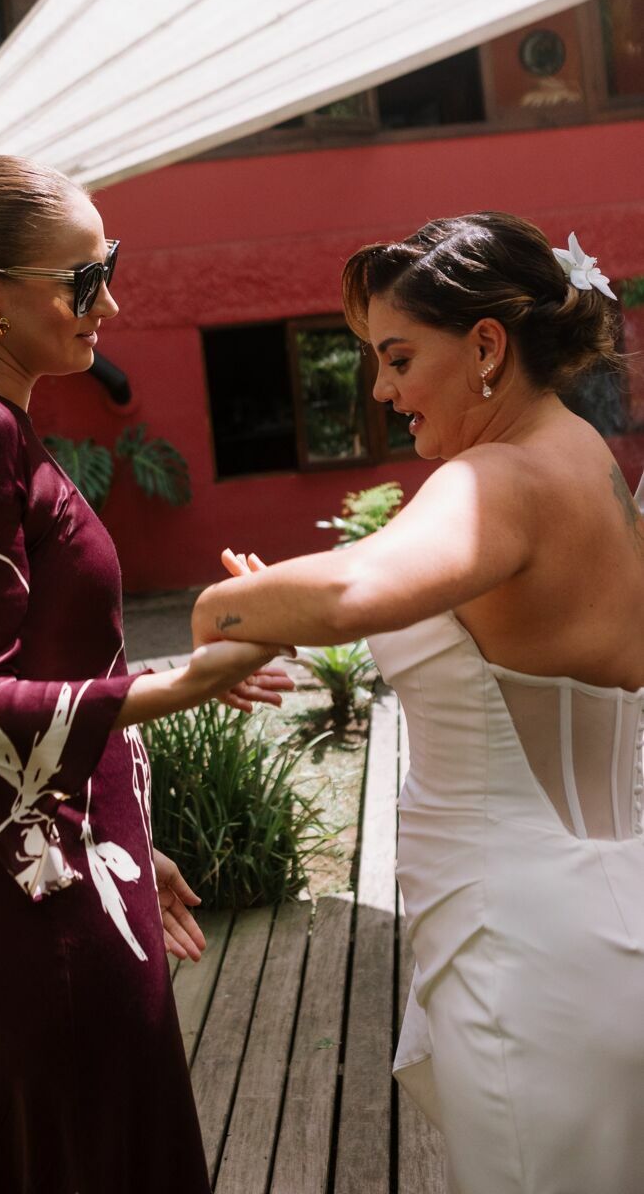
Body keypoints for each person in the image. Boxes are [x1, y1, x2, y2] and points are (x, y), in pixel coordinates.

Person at [0, 155, 292, 1194]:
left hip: (59, 876)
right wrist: (182, 683)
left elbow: (42, 667)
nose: (111, 301)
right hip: (28, 916)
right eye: (82, 281)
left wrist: (126, 831)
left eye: (109, 268)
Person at [191, 213, 644, 1194]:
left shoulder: (492, 479)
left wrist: (219, 608)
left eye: (395, 357)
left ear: (485, 345)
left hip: (527, 951)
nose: (380, 390)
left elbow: (353, 591)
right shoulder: (584, 458)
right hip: (598, 909)